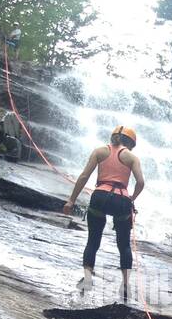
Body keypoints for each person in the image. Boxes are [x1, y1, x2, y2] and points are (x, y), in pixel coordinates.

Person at [62, 126, 145, 301]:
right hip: (121, 200)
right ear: (130, 143)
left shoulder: (100, 151)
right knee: (124, 245)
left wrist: (71, 201)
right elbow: (140, 182)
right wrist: (132, 199)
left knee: (93, 241)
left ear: (113, 137)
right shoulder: (131, 157)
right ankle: (125, 286)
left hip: (99, 196)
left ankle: (87, 279)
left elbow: (84, 176)